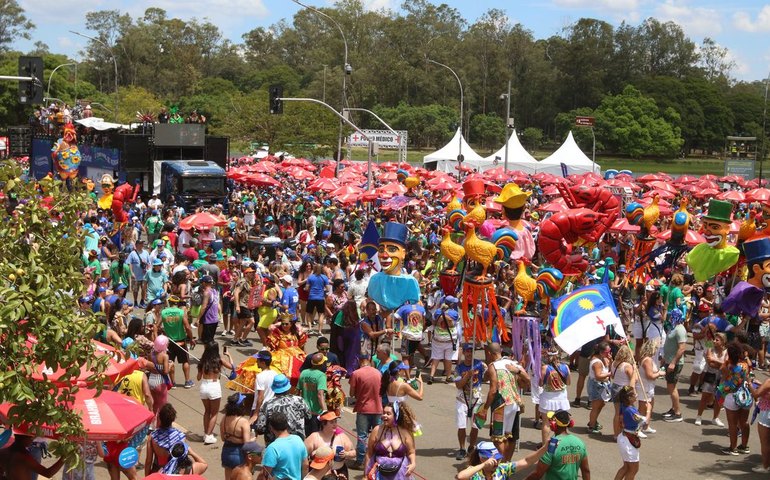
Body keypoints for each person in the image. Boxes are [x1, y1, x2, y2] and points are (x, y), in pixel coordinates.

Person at [482, 343, 527, 462]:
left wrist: (485, 408)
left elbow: (492, 390)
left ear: (490, 354)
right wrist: (517, 372)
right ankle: (507, 463)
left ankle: (501, 464)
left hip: (500, 405)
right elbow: (528, 379)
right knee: (510, 437)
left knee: (498, 438)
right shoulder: (514, 364)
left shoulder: (493, 366)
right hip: (515, 404)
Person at [524, 410, 590, 480]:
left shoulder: (552, 445)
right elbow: (586, 470)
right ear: (570, 423)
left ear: (553, 424)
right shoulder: (579, 442)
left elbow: (537, 474)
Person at [255, 374, 312, 445]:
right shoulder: (299, 400)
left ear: (274, 388)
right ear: (288, 387)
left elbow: (260, 429)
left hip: (275, 445)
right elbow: (309, 417)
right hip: (297, 443)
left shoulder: (267, 405)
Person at [365, 402, 417, 479]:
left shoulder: (405, 432)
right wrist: (366, 474)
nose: (384, 416)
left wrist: (413, 463)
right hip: (379, 473)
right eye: (383, 413)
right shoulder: (377, 430)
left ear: (396, 416)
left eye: (388, 414)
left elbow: (411, 452)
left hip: (400, 473)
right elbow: (369, 453)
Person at [454, 343, 487, 461]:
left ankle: (471, 447)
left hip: (476, 399)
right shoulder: (458, 368)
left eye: (471, 351)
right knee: (461, 425)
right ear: (463, 353)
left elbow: (488, 377)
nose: (469, 353)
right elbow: (458, 385)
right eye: (467, 351)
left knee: (475, 426)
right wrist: (467, 376)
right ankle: (462, 448)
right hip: (462, 399)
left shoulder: (481, 365)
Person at [349, 355, 383, 469]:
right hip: (378, 409)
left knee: (362, 436)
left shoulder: (356, 373)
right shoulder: (378, 373)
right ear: (369, 360)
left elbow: (352, 393)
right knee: (378, 436)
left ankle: (360, 461)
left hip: (363, 409)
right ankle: (378, 459)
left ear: (359, 361)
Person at [197, 341, 234, 444]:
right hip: (214, 386)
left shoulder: (202, 361)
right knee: (214, 413)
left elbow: (198, 377)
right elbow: (232, 367)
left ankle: (206, 434)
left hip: (204, 386)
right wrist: (229, 355)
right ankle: (209, 435)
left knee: (207, 411)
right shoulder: (219, 360)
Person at [719, 341, 752, 455]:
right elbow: (748, 376)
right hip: (745, 395)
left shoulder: (728, 366)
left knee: (732, 424)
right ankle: (744, 446)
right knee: (744, 422)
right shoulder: (745, 365)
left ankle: (733, 448)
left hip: (732, 396)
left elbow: (724, 379)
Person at [455, 441, 547, 480]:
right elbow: (460, 476)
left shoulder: (502, 469)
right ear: (482, 458)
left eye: (498, 458)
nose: (497, 462)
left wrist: (545, 447)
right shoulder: (473, 472)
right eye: (494, 460)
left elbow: (527, 461)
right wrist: (483, 465)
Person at [304, 410, 355, 478]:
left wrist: (346, 454)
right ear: (323, 423)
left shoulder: (342, 437)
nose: (335, 424)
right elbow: (302, 455)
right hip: (319, 474)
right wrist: (313, 455)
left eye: (335, 421)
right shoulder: (315, 437)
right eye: (331, 422)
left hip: (339, 472)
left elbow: (354, 452)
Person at [261, 411, 309, 480]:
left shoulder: (272, 448)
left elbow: (265, 474)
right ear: (287, 424)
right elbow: (305, 465)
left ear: (271, 428)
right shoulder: (298, 439)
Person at [538, 347, 570, 446]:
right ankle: (562, 443)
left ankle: (545, 446)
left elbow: (540, 384)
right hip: (561, 398)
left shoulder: (545, 368)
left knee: (546, 423)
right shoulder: (565, 367)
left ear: (547, 355)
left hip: (548, 398)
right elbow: (568, 383)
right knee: (562, 422)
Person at [160, 295, 195, 388]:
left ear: (169, 303)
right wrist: (191, 338)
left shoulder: (163, 312)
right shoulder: (181, 312)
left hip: (169, 341)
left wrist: (163, 332)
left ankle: (173, 383)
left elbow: (157, 325)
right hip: (181, 341)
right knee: (185, 361)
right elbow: (187, 327)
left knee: (170, 361)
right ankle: (187, 381)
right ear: (177, 303)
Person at [144, 404, 187, 476]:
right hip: (173, 473)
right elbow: (182, 460)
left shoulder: (153, 436)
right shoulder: (180, 437)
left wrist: (147, 477)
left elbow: (148, 461)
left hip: (157, 471)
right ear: (173, 419)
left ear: (159, 418)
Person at [694, 332, 726, 427]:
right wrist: (721, 364)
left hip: (722, 377)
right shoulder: (710, 348)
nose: (715, 341)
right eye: (714, 339)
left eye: (717, 340)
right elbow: (710, 362)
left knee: (719, 399)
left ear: (723, 342)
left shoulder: (726, 351)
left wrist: (716, 361)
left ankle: (715, 418)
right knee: (705, 397)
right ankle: (699, 416)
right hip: (710, 374)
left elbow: (726, 365)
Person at [266, 313, 308, 384]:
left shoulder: (296, 333)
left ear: (291, 324)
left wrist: (304, 355)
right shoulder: (277, 334)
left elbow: (301, 346)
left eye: (286, 324)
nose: (284, 326)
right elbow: (271, 347)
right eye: (283, 324)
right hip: (281, 356)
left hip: (297, 355)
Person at [661, 312, 687, 423]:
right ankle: (673, 409)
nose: (670, 317)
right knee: (672, 386)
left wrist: (673, 362)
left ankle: (678, 413)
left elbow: (682, 348)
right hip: (668, 360)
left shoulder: (680, 329)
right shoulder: (673, 327)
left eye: (672, 316)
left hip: (674, 363)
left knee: (671, 388)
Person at [635, 339, 663, 436]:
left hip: (649, 386)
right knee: (642, 408)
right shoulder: (647, 360)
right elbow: (650, 375)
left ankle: (646, 426)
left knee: (650, 406)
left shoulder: (646, 358)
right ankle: (637, 429)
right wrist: (659, 373)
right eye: (656, 348)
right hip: (644, 387)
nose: (656, 351)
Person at [220, 393, 252, 480]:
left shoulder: (224, 418)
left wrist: (231, 438)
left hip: (226, 451)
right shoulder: (243, 422)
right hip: (238, 454)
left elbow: (223, 438)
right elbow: (247, 445)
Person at [614, 387, 643, 480]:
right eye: (635, 394)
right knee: (633, 469)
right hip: (628, 440)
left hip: (624, 438)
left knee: (626, 467)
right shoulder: (630, 411)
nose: (637, 395)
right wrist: (649, 410)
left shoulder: (625, 405)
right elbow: (644, 423)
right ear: (629, 398)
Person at [299, 352, 329, 435]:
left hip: (304, 412)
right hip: (316, 413)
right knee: (316, 437)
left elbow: (298, 391)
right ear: (321, 364)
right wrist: (325, 410)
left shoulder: (303, 373)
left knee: (307, 436)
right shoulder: (321, 376)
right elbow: (320, 394)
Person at [610, 345, 636, 438]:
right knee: (627, 411)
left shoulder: (614, 363)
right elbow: (633, 380)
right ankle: (627, 432)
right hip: (624, 390)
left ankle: (616, 434)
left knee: (617, 412)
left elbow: (612, 376)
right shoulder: (627, 366)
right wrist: (635, 372)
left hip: (615, 387)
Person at [587, 341, 612, 434]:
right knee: (596, 407)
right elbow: (598, 376)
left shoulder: (602, 358)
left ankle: (593, 421)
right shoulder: (597, 362)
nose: (609, 353)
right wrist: (610, 374)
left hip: (601, 385)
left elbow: (608, 368)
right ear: (601, 352)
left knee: (601, 405)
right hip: (597, 385)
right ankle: (591, 426)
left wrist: (610, 360)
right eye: (607, 352)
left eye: (609, 351)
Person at [249, 350, 278, 425]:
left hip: (260, 408)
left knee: (252, 431)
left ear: (263, 363)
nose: (256, 362)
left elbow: (260, 397)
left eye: (258, 360)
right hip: (271, 408)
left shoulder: (260, 376)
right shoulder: (275, 374)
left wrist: (256, 413)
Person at [749, 373, 770, 473]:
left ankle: (766, 467)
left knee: (765, 442)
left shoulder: (769, 381)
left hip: (766, 413)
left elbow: (756, 394)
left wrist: (749, 384)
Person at [305, 264, 330, 335]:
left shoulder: (310, 277)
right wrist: (322, 289)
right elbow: (328, 289)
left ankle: (310, 328)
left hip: (311, 297)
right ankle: (319, 331)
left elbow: (306, 288)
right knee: (321, 315)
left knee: (309, 313)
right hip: (320, 298)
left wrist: (308, 289)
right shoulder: (324, 277)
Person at [196, 275, 220, 344]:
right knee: (211, 340)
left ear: (204, 283)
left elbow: (204, 307)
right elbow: (218, 304)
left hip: (208, 320)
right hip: (215, 319)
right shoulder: (214, 291)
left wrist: (198, 319)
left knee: (207, 342)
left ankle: (209, 354)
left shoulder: (206, 293)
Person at [127, 239, 150, 307]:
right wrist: (131, 273)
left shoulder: (146, 252)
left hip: (144, 275)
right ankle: (135, 302)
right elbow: (129, 263)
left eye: (142, 243)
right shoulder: (132, 253)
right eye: (140, 244)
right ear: (137, 245)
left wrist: (147, 268)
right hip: (136, 275)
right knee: (135, 290)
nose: (142, 245)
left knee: (144, 289)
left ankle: (142, 301)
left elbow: (149, 263)